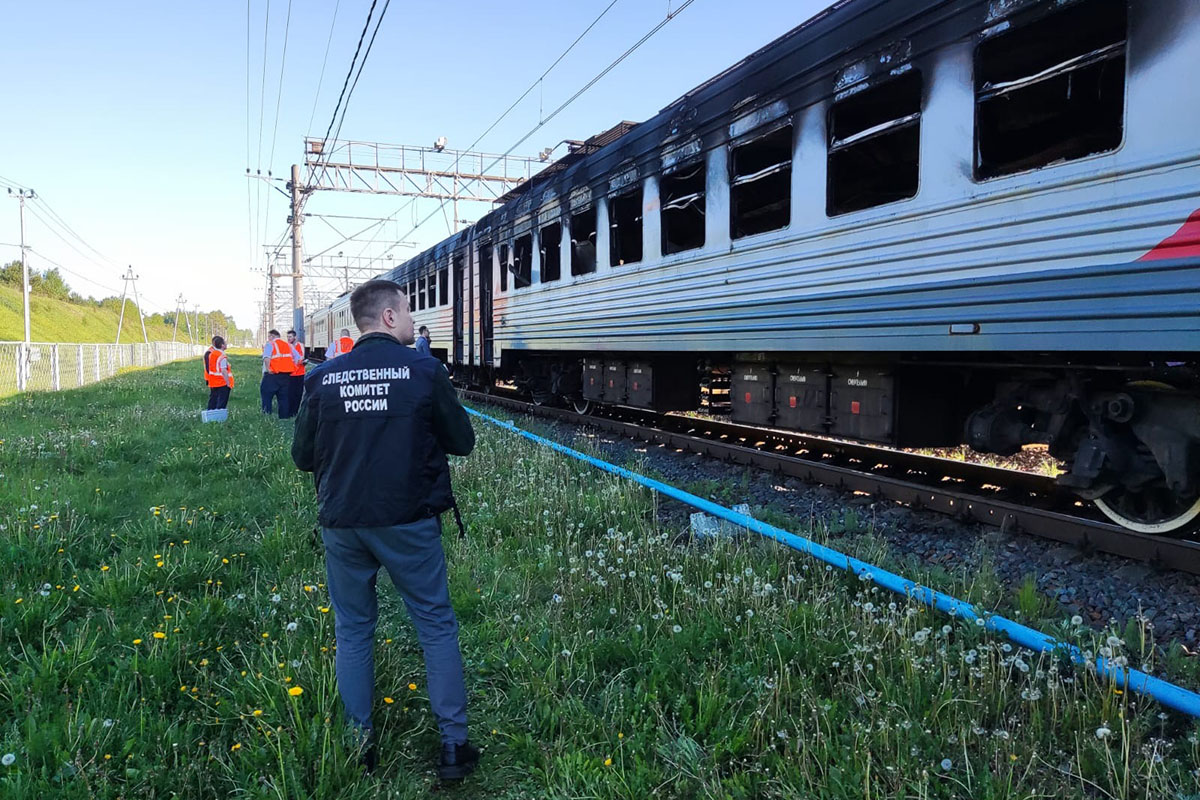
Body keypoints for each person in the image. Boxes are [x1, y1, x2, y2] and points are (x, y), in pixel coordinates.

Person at [292, 280, 478, 780]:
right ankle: (454, 748)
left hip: (343, 523)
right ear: (390, 318)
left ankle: (360, 747)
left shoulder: (323, 378)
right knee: (435, 625)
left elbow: (302, 457)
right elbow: (462, 442)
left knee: (353, 631)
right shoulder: (423, 370)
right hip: (409, 520)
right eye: (410, 311)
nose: (414, 321)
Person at [261, 329, 294, 417]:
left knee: (266, 396)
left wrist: (268, 369)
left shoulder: (270, 344)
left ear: (272, 336)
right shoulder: (288, 345)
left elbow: (266, 358)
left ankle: (266, 416)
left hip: (273, 374)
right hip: (286, 375)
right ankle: (284, 417)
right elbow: (297, 358)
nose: (268, 338)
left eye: (269, 336)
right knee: (283, 398)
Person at [203, 335, 233, 410]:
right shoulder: (221, 356)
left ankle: (210, 416)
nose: (226, 344)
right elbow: (223, 370)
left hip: (213, 382)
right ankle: (219, 418)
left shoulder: (212, 354)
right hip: (222, 382)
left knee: (213, 401)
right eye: (225, 343)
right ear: (222, 345)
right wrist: (228, 383)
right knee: (221, 403)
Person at [286, 329, 306, 417]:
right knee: (290, 393)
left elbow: (302, 357)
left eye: (290, 337)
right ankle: (290, 411)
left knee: (298, 393)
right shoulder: (286, 347)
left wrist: (302, 361)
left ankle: (296, 411)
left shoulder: (300, 346)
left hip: (300, 373)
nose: (288, 338)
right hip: (290, 373)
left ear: (295, 337)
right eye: (287, 337)